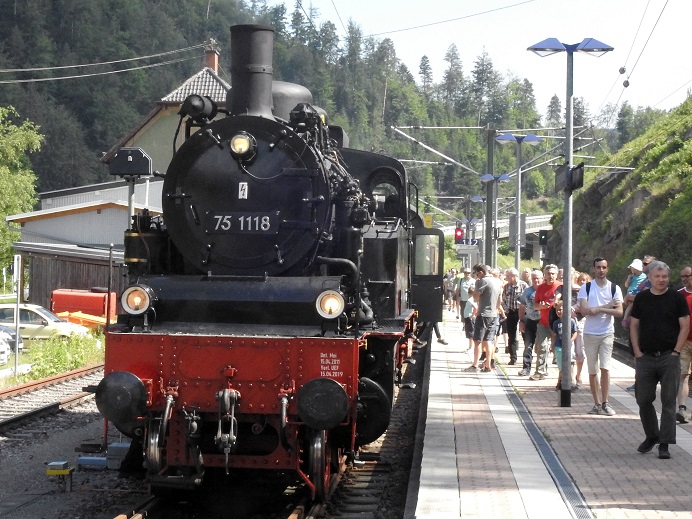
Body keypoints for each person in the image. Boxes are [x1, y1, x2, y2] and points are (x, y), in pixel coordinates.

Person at [630, 260, 690, 459]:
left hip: (668, 356)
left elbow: (685, 326)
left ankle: (664, 443)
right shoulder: (641, 298)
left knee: (668, 401)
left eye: (664, 276)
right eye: (657, 276)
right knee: (643, 398)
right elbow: (633, 325)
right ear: (650, 278)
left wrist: (676, 351)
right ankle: (652, 435)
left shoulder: (676, 298)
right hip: (646, 356)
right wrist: (637, 351)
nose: (661, 280)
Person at [578, 257, 623, 416]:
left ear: (607, 268)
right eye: (598, 267)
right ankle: (596, 403)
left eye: (604, 267)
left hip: (607, 332)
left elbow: (619, 312)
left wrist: (599, 309)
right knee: (592, 370)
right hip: (590, 333)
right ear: (594, 269)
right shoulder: (586, 288)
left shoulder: (614, 288)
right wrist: (607, 306)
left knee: (605, 367)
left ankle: (606, 402)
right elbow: (584, 311)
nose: (601, 270)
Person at [464, 264, 502, 373]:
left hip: (483, 314)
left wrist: (476, 286)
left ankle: (475, 365)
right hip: (494, 314)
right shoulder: (498, 281)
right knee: (489, 340)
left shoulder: (482, 281)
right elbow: (499, 302)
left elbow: (475, 298)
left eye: (476, 273)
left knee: (477, 340)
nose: (476, 276)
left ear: (481, 272)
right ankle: (488, 365)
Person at [529, 264, 561, 381]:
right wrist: (541, 306)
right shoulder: (541, 288)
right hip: (543, 322)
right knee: (541, 347)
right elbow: (535, 305)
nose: (551, 276)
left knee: (559, 349)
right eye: (548, 274)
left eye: (553, 273)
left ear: (556, 275)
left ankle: (563, 374)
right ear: (545, 275)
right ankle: (540, 372)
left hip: (557, 324)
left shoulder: (561, 286)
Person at [518, 269, 543, 376]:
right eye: (534, 278)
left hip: (542, 322)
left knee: (542, 346)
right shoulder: (527, 291)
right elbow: (522, 306)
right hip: (529, 321)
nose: (536, 280)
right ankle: (526, 367)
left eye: (538, 278)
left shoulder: (544, 290)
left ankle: (542, 368)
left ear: (542, 279)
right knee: (528, 345)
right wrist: (521, 321)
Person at [676, 265, 692, 424]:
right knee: (684, 375)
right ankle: (681, 409)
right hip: (685, 340)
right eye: (682, 277)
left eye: (688, 276)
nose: (685, 279)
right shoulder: (679, 295)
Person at [502, 268, 527, 366]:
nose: (506, 278)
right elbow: (503, 299)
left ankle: (526, 359)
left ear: (513, 276)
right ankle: (513, 358)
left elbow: (528, 299)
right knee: (511, 335)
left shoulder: (524, 285)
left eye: (507, 276)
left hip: (522, 312)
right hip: (511, 312)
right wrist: (506, 309)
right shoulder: (506, 286)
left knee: (525, 335)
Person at [551, 300, 577, 391]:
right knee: (561, 365)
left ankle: (571, 381)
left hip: (569, 346)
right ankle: (560, 382)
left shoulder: (571, 321)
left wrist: (570, 340)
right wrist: (552, 345)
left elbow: (575, 332)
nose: (559, 312)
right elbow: (554, 335)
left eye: (561, 309)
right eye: (557, 310)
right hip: (559, 346)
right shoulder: (556, 323)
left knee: (570, 362)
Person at [621, 259, 647, 328]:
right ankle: (625, 319)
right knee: (631, 305)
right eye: (631, 268)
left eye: (633, 268)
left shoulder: (644, 276)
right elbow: (626, 285)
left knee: (633, 305)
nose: (632, 270)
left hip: (639, 292)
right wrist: (629, 278)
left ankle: (628, 319)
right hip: (631, 292)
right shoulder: (631, 276)